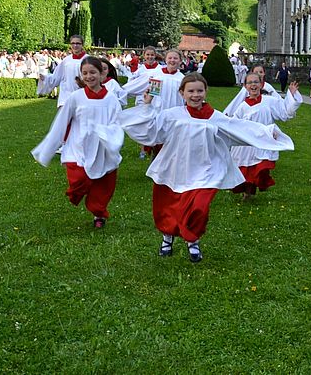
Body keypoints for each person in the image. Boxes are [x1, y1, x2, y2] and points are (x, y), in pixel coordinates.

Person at [120, 73, 293, 262]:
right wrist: (146, 105)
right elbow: (150, 131)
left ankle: (192, 240)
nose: (195, 95)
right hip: (174, 167)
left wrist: (268, 133)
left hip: (204, 171)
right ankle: (167, 237)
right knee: (168, 205)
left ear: (206, 92)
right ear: (182, 93)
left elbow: (240, 128)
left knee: (199, 207)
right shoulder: (172, 115)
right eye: (191, 91)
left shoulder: (215, 117)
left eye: (199, 91)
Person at [31, 56, 125, 229]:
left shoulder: (111, 99)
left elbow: (117, 123)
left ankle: (98, 213)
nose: (89, 77)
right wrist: (50, 147)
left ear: (101, 73)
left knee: (103, 183)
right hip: (78, 146)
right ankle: (78, 192)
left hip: (102, 147)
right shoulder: (76, 97)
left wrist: (107, 136)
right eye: (85, 73)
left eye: (93, 73)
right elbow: (62, 122)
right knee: (79, 178)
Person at [228, 73, 302, 199]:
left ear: (261, 84)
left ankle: (259, 184)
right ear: (245, 86)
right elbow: (235, 124)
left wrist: (292, 95)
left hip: (263, 142)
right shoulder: (242, 107)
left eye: (256, 82)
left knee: (261, 166)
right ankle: (247, 192)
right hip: (247, 144)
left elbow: (285, 111)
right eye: (250, 82)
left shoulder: (269, 101)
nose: (253, 85)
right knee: (247, 169)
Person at [37, 35, 88, 108]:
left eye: (78, 43)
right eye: (73, 43)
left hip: (82, 95)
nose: (75, 45)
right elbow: (57, 76)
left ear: (82, 45)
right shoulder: (66, 60)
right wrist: (45, 78)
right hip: (66, 96)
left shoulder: (88, 59)